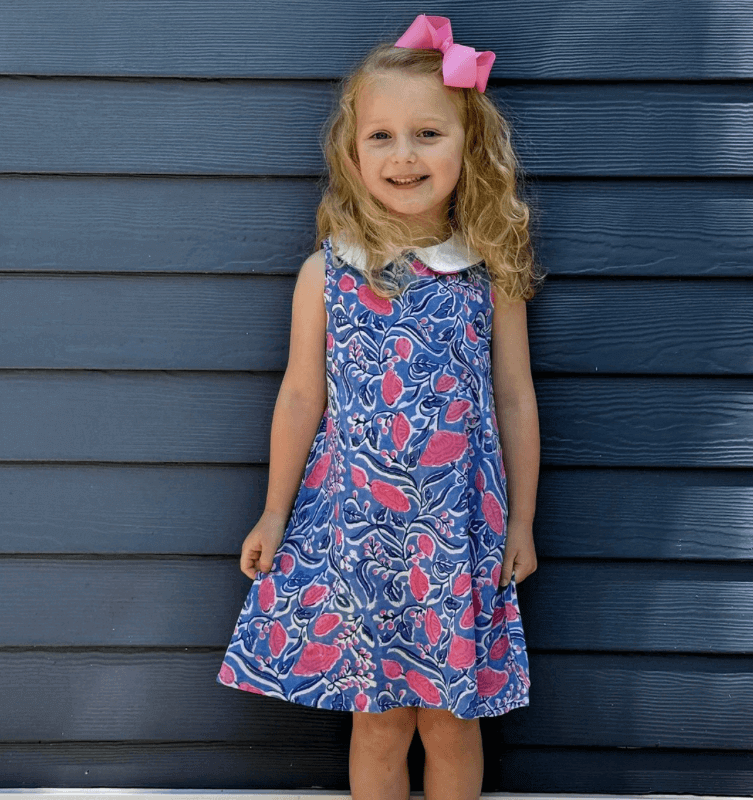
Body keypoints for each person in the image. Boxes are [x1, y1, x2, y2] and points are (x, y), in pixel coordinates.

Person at [217, 14, 545, 800]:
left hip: (455, 539)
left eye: (428, 133)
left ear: (469, 150)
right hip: (355, 534)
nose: (404, 156)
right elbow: (300, 395)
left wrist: (523, 522)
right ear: (352, 152)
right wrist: (272, 511)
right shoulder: (327, 274)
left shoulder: (487, 276)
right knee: (379, 721)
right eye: (382, 137)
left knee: (449, 720)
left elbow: (514, 398)